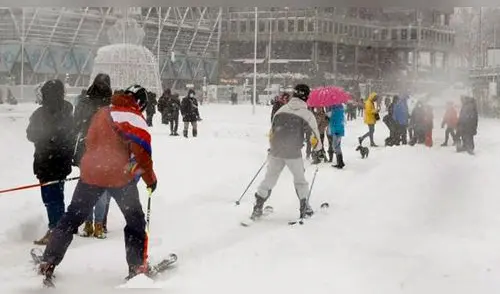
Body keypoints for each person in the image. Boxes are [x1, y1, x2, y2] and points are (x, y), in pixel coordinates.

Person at [37, 84, 158, 280]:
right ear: (141, 103)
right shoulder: (134, 118)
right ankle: (137, 267)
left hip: (91, 176)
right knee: (135, 221)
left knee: (71, 219)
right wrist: (149, 179)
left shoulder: (103, 112)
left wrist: (92, 166)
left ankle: (49, 261)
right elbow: (142, 156)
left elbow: (90, 142)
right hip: (121, 180)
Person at [249, 84, 322, 221]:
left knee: (269, 179)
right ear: (306, 97)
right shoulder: (306, 114)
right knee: (300, 181)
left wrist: (272, 146)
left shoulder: (281, 110)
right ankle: (304, 208)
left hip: (276, 151)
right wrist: (318, 150)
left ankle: (258, 207)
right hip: (293, 152)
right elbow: (313, 136)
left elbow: (272, 131)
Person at [26, 79, 74, 245]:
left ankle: (56, 230)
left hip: (46, 163)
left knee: (50, 198)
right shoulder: (68, 111)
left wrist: (46, 139)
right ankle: (60, 228)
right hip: (62, 162)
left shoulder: (40, 114)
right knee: (57, 196)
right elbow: (71, 136)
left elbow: (30, 134)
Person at [73, 73, 113, 238]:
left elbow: (76, 123)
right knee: (103, 188)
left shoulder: (85, 101)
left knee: (87, 188)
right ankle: (99, 224)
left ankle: (89, 224)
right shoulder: (111, 104)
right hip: (106, 150)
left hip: (86, 149)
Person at [328, 104, 345, 169]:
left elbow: (334, 120)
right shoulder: (340, 108)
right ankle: (340, 162)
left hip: (336, 130)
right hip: (339, 129)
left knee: (335, 146)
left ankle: (340, 163)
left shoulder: (335, 110)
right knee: (337, 146)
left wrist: (329, 117)